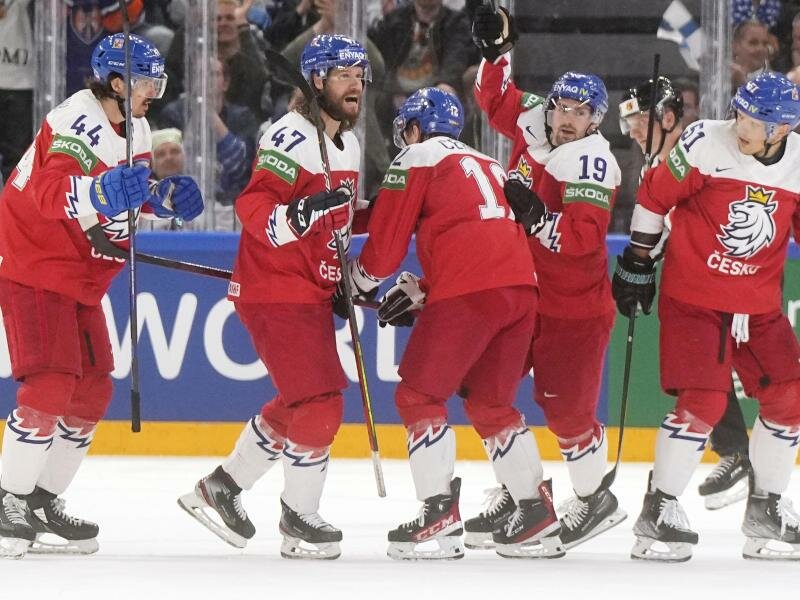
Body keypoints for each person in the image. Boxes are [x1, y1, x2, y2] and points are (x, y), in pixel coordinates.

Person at [0, 32, 203, 560]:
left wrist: (160, 199)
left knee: (91, 392)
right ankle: (7, 501)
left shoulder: (137, 126)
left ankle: (39, 501)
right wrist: (101, 190)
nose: (153, 92)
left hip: (82, 277)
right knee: (49, 387)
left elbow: (123, 195)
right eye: (145, 83)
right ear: (115, 82)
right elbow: (49, 193)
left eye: (157, 83)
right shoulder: (76, 122)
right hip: (38, 267)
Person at [341, 87, 563, 560]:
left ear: (415, 128)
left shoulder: (417, 156)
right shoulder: (489, 163)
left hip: (471, 291)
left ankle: (438, 513)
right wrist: (425, 287)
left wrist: (355, 281)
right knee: (490, 403)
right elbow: (477, 235)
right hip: (520, 291)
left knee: (418, 396)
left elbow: (386, 243)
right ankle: (535, 512)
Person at [178, 34, 369, 561]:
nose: (355, 84)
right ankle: (298, 518)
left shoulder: (348, 143)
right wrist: (300, 214)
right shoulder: (289, 135)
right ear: (316, 81)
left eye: (359, 75)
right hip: (275, 288)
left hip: (308, 289)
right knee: (321, 401)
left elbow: (337, 218)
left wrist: (341, 261)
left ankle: (221, 489)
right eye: (343, 75)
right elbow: (254, 205)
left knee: (297, 400)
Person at [613, 71, 800, 562]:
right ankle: (659, 509)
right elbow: (654, 196)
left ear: (781, 129)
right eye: (740, 112)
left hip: (758, 306)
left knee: (790, 395)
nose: (740, 124)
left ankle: (765, 509)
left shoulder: (799, 164)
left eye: (753, 121)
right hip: (694, 297)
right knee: (704, 402)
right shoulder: (704, 141)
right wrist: (637, 261)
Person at [469, 5, 625, 551]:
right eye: (562, 107)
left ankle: (595, 500)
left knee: (567, 414)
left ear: (596, 121)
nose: (566, 119)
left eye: (581, 113)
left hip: (572, 308)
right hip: (523, 296)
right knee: (485, 391)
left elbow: (582, 240)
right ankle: (523, 493)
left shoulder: (593, 161)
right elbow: (495, 99)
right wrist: (495, 54)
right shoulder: (535, 118)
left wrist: (535, 216)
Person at [619, 76, 754, 511]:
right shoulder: (656, 167)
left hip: (729, 279)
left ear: (667, 118)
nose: (633, 132)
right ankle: (739, 457)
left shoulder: (701, 151)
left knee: (711, 376)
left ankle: (741, 459)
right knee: (700, 374)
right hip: (699, 284)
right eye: (629, 125)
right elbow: (664, 229)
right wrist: (640, 267)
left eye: (639, 122)